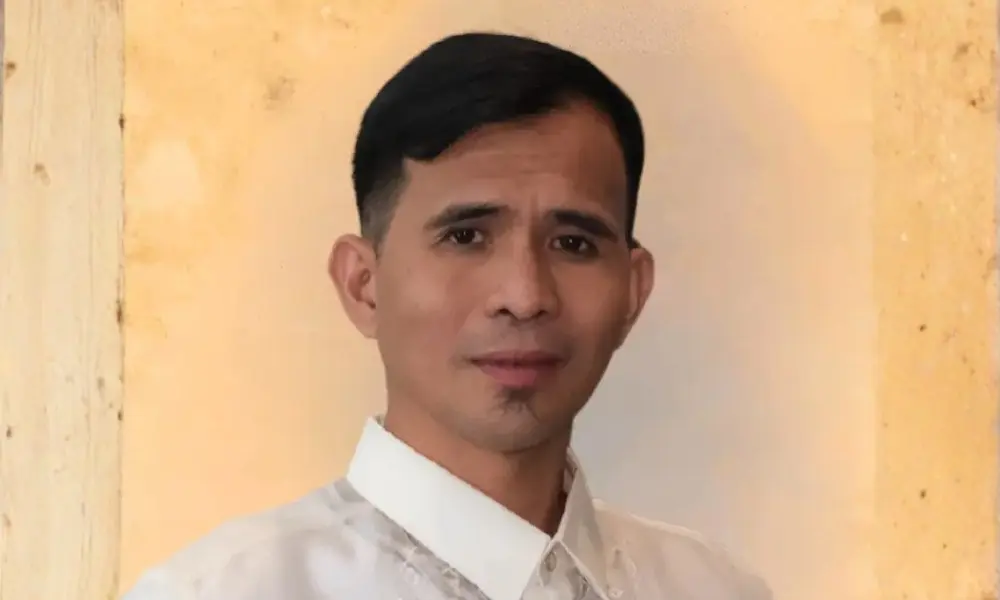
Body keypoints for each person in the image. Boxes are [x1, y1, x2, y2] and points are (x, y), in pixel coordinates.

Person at [124, 32, 772, 600]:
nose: (525, 295)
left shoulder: (714, 588)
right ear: (363, 284)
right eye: (465, 237)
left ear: (632, 292)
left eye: (574, 243)